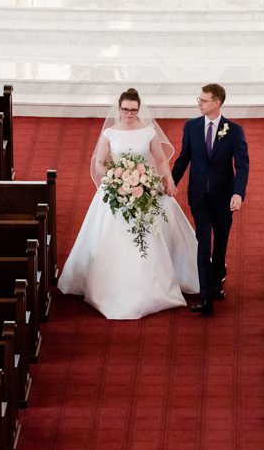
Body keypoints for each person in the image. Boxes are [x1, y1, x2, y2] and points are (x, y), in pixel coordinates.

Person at [58, 88, 199, 320]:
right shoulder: (110, 133)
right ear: (119, 108)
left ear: (139, 109)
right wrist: (118, 176)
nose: (129, 114)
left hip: (146, 187)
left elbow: (162, 160)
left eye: (133, 110)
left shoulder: (148, 132)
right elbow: (100, 165)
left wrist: (169, 181)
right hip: (117, 189)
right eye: (125, 109)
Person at [172, 84, 249, 316]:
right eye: (199, 99)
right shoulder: (192, 126)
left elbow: (242, 165)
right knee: (203, 244)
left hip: (224, 198)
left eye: (204, 100)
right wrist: (171, 182)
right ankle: (206, 297)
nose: (199, 103)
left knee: (221, 243)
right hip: (199, 198)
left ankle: (216, 283)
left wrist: (238, 193)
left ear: (217, 103)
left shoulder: (234, 130)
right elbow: (184, 158)